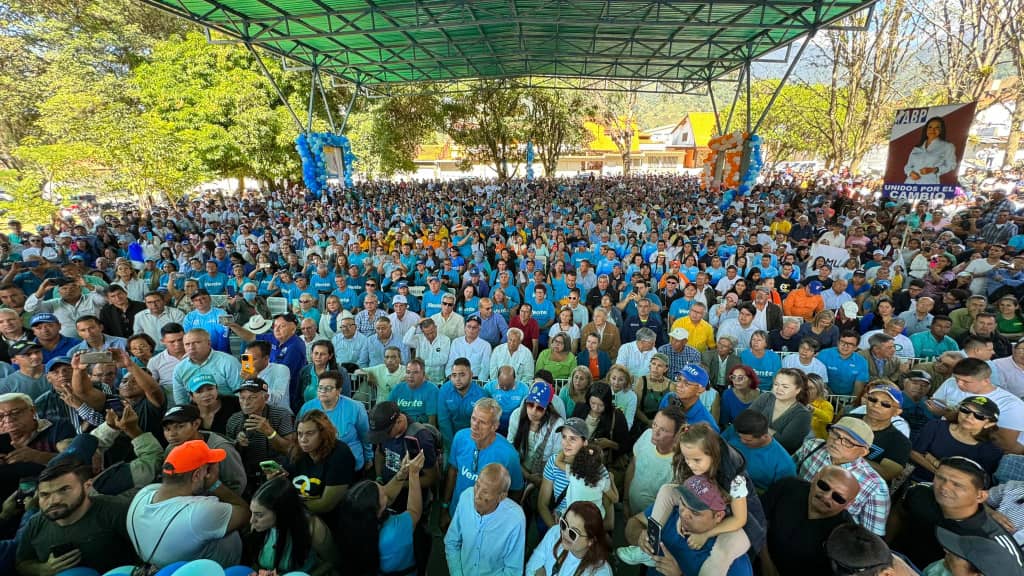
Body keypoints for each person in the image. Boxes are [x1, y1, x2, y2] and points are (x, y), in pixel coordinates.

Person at [127, 440, 249, 568]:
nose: (210, 472)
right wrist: (215, 484)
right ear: (196, 475)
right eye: (208, 468)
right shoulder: (199, 513)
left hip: (158, 567)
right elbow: (246, 514)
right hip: (217, 570)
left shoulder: (144, 494)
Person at [889, 456, 1019, 569]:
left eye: (957, 485)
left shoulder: (991, 538)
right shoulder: (920, 492)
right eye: (940, 478)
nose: (945, 487)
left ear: (980, 496)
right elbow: (899, 514)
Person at [14, 459, 137, 575]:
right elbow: (22, 564)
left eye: (64, 490)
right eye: (45, 495)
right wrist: (43, 569)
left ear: (87, 487)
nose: (53, 501)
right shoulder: (35, 523)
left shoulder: (118, 511)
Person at [627, 475, 755, 576]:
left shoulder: (733, 562)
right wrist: (639, 536)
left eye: (695, 512)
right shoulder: (670, 512)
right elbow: (634, 522)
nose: (684, 514)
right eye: (682, 503)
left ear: (718, 516)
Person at [793, 416, 890, 536]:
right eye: (835, 434)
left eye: (848, 442)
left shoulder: (875, 487)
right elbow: (788, 476)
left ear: (863, 452)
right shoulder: (812, 447)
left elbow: (869, 538)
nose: (837, 442)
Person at [334, 452, 425, 575]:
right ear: (377, 511)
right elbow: (414, 511)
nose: (384, 488)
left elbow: (387, 494)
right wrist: (414, 474)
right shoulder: (393, 532)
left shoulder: (351, 523)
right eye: (382, 493)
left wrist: (401, 474)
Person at [759, 466, 860, 576]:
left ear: (849, 504)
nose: (826, 496)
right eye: (824, 486)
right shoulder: (788, 486)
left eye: (838, 497)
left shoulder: (846, 533)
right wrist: (766, 562)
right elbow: (757, 519)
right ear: (815, 477)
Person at [442, 398, 523, 519]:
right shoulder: (460, 438)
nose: (475, 426)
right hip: (457, 512)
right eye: (473, 419)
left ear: (495, 426)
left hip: (487, 519)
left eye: (483, 422)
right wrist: (445, 506)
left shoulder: (509, 455)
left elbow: (516, 490)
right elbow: (453, 472)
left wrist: (501, 519)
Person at [444, 463, 527, 576]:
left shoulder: (515, 519)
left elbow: (513, 570)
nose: (476, 495)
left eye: (485, 492)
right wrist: (457, 573)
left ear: (501, 497)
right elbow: (451, 542)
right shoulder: (466, 497)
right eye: (477, 485)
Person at [245, 475, 338, 575]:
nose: (252, 521)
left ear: (281, 512)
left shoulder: (313, 527)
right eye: (252, 513)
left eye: (259, 515)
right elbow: (255, 563)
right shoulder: (258, 526)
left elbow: (333, 562)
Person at [225, 377, 296, 495]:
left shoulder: (281, 415)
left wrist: (270, 432)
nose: (246, 403)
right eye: (242, 398)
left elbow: (290, 450)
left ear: (266, 398)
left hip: (278, 474)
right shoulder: (234, 420)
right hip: (246, 476)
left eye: (252, 397)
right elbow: (229, 458)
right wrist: (237, 443)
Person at [910, 395, 1002, 483]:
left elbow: (976, 480)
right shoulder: (935, 426)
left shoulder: (991, 451)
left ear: (989, 424)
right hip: (916, 480)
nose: (969, 417)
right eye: (965, 410)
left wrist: (935, 462)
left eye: (979, 416)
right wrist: (939, 472)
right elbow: (914, 453)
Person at [297, 369, 371, 472]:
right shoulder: (307, 407)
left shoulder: (356, 408)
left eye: (328, 388)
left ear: (338, 391)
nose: (323, 392)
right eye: (320, 388)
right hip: (317, 462)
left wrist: (369, 458)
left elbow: (365, 436)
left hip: (348, 461)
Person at [624, 406, 685, 519]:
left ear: (677, 435)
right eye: (654, 425)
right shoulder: (647, 435)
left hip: (650, 520)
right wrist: (626, 501)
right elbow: (633, 466)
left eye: (663, 430)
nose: (655, 433)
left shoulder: (678, 464)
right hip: (630, 508)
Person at [507, 381, 565, 498]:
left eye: (539, 408)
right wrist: (527, 475)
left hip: (544, 475)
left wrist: (539, 481)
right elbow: (510, 450)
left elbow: (556, 458)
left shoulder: (557, 425)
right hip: (517, 467)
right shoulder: (516, 416)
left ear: (547, 408)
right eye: (530, 405)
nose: (533, 411)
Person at [525, 500, 614, 576]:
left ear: (590, 541)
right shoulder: (555, 532)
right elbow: (531, 566)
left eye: (573, 533)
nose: (564, 533)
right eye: (564, 524)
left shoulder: (600, 572)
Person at [851, 381, 913, 483]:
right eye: (872, 399)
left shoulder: (901, 442)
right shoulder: (849, 420)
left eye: (885, 404)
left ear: (897, 412)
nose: (876, 405)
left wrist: (849, 455)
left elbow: (886, 473)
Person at [722, 410, 797, 492]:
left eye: (748, 440)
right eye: (739, 437)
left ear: (764, 436)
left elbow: (780, 494)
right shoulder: (736, 430)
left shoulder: (784, 465)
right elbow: (718, 446)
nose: (742, 441)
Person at [437, 357, 488, 448]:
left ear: (471, 375)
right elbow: (443, 421)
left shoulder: (482, 395)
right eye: (454, 375)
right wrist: (452, 444)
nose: (457, 379)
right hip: (450, 438)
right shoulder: (444, 390)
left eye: (462, 375)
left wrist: (471, 444)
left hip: (473, 439)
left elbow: (482, 425)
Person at [658, 364, 719, 430]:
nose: (678, 385)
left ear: (700, 389)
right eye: (679, 379)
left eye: (686, 383)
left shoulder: (707, 425)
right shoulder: (668, 397)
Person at [904, 117, 957, 185]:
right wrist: (910, 173)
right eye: (930, 127)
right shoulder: (917, 148)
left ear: (941, 130)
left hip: (929, 186)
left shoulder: (947, 146)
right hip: (909, 184)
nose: (933, 130)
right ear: (926, 129)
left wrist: (934, 170)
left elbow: (951, 165)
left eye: (937, 127)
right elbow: (907, 166)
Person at [388, 358, 439, 427]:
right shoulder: (398, 388)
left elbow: (432, 422)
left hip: (421, 428)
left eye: (415, 372)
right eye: (408, 372)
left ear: (423, 374)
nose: (410, 376)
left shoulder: (432, 389)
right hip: (399, 426)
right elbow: (388, 409)